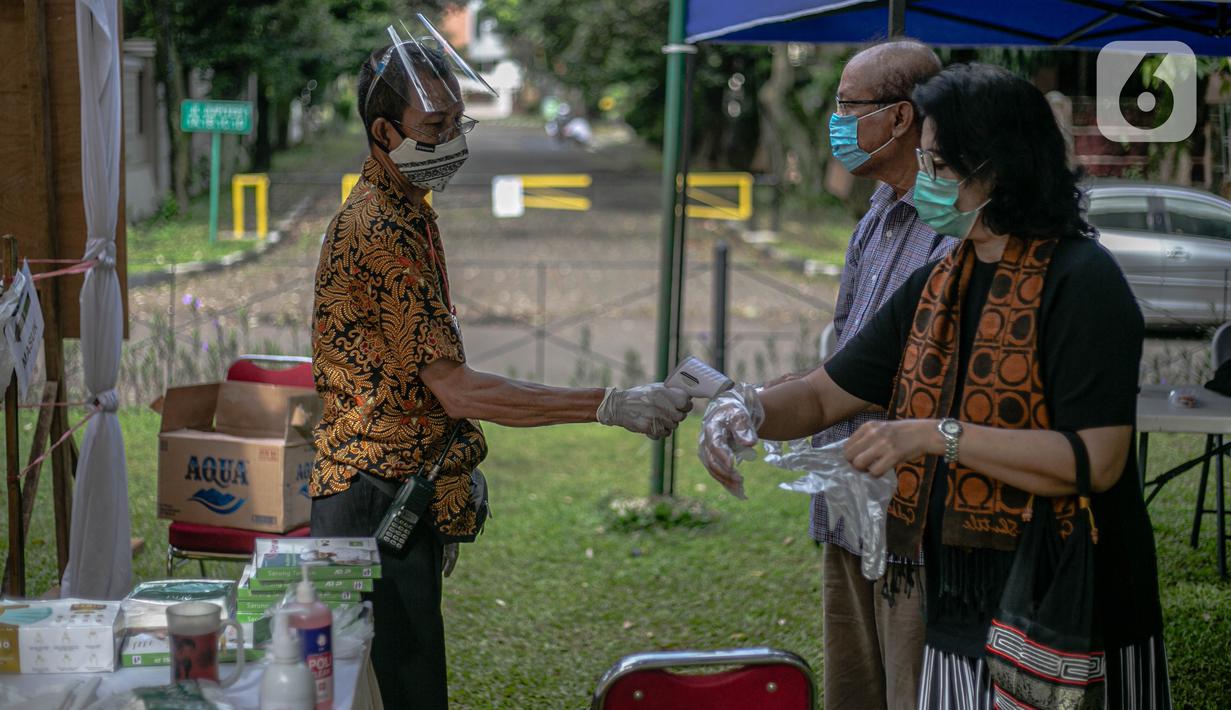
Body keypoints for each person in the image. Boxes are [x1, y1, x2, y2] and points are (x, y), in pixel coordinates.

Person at [700, 63, 1170, 709]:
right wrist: (742, 408)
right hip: (959, 590)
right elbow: (823, 394)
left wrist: (933, 436)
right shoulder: (938, 284)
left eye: (940, 166)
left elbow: (1095, 460)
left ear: (1001, 168)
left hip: (1066, 592)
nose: (923, 180)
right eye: (923, 161)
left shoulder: (1083, 282)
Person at [309, 35, 692, 709]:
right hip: (370, 497)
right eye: (436, 126)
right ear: (383, 131)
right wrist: (610, 404)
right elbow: (457, 390)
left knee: (405, 683)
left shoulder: (408, 209)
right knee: (399, 693)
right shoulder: (378, 230)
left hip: (397, 486)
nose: (452, 141)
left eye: (459, 124)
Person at [811, 39, 952, 710]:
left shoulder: (956, 225)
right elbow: (844, 355)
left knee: (910, 684)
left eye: (847, 106)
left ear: (899, 118)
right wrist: (755, 401)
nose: (835, 121)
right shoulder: (876, 213)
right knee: (853, 683)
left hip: (914, 516)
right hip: (848, 499)